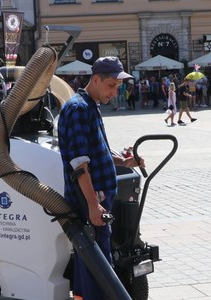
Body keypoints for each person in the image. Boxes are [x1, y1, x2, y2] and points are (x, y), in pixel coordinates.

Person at [58, 56, 144, 300]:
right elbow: (79, 163)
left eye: (117, 87)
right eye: (111, 86)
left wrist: (125, 162)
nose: (115, 92)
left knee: (93, 265)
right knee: (97, 267)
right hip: (90, 204)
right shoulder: (78, 109)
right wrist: (92, 205)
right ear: (95, 79)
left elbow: (97, 153)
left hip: (98, 202)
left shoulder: (90, 106)